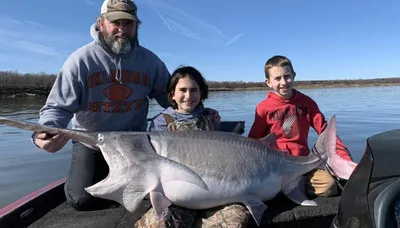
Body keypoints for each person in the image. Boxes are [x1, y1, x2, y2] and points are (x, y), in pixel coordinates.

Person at [31, 0, 220, 211]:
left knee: (169, 192)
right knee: (81, 200)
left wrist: (202, 112)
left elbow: (173, 99)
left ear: (136, 26)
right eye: (116, 22)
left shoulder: (150, 61)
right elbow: (57, 108)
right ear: (101, 23)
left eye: (129, 24)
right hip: (93, 141)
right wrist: (43, 134)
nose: (123, 30)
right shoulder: (79, 61)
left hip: (135, 142)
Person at [136, 66, 251, 228]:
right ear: (172, 94)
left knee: (237, 220)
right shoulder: (160, 122)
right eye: (182, 90)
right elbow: (151, 166)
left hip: (215, 192)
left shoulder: (210, 116)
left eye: (194, 90)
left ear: (201, 93)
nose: (188, 96)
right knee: (159, 224)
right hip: (177, 197)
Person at [248, 55, 353, 197]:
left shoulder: (307, 103)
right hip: (276, 166)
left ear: (294, 75)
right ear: (268, 82)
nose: (283, 82)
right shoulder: (263, 108)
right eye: (277, 78)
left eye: (287, 76)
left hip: (303, 163)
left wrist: (344, 158)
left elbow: (326, 132)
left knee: (329, 186)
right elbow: (252, 143)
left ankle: (298, 184)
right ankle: (289, 187)